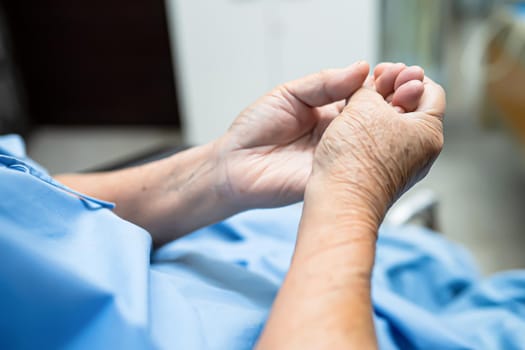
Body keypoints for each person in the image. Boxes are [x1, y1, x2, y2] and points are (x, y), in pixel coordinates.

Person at [0, 62, 523, 349]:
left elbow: (40, 208)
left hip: (221, 257)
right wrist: (354, 186)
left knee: (435, 266)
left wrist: (220, 173)